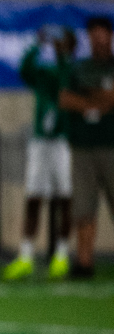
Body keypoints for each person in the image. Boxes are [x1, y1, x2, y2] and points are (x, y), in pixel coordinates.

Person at [5, 25, 74, 279]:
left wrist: (63, 55)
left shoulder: (70, 73)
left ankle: (62, 255)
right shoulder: (44, 75)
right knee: (34, 197)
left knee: (65, 198)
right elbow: (24, 70)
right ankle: (25, 256)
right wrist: (37, 45)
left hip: (63, 141)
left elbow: (69, 78)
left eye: (62, 42)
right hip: (40, 142)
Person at [59, 15, 114, 279]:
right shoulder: (79, 68)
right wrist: (96, 101)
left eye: (103, 34)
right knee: (83, 209)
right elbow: (67, 98)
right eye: (94, 34)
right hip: (83, 147)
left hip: (111, 145)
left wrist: (88, 94)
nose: (99, 39)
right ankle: (84, 262)